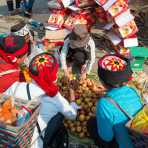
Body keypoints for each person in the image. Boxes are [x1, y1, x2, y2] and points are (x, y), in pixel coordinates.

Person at [5, 53, 78, 148]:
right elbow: (72, 115)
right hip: (34, 144)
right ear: (52, 75)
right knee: (60, 115)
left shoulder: (16, 86)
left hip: (9, 140)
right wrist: (72, 95)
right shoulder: (54, 97)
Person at [87, 54, 143, 148]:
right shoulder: (133, 90)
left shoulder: (104, 103)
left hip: (124, 145)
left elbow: (107, 137)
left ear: (101, 81)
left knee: (91, 123)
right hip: (141, 139)